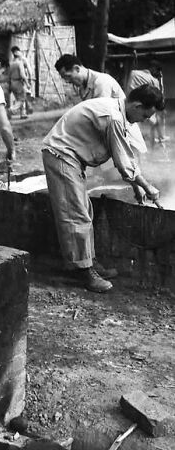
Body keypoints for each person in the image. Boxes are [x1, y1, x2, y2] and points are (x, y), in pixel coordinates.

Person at [41, 85, 164, 293]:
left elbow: (126, 156)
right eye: (144, 115)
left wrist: (136, 186)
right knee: (76, 214)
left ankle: (89, 261)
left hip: (70, 157)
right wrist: (146, 186)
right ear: (137, 105)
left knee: (84, 210)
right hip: (61, 154)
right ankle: (85, 272)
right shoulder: (114, 117)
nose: (143, 120)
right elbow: (123, 161)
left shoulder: (118, 112)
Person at [127, 60, 168, 146]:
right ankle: (153, 147)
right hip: (145, 106)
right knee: (152, 125)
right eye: (157, 71)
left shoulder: (133, 73)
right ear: (153, 69)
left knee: (133, 133)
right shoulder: (153, 80)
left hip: (129, 105)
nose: (158, 74)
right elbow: (158, 98)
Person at [54, 54, 124, 101]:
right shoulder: (82, 89)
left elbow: (102, 113)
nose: (67, 81)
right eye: (65, 78)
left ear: (77, 69)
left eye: (68, 76)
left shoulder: (101, 82)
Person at [8, 46, 32, 119]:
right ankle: (11, 110)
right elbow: (23, 74)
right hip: (18, 82)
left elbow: (8, 74)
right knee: (22, 99)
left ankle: (23, 114)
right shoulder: (20, 62)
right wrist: (28, 83)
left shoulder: (10, 63)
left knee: (18, 98)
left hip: (12, 82)